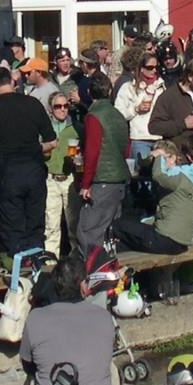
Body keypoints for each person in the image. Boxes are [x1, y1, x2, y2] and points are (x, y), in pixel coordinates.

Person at [0, 66, 56, 254]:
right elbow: (52, 142)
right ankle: (38, 270)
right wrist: (34, 148)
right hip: (34, 171)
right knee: (35, 227)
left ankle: (20, 274)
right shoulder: (33, 103)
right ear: (12, 82)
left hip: (6, 175)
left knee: (13, 231)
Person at [19, 255, 114, 385]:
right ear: (83, 286)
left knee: (33, 379)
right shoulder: (104, 317)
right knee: (111, 369)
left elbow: (28, 366)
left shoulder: (35, 317)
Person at [108, 137, 193, 257]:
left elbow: (158, 175)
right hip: (177, 240)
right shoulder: (182, 176)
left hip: (167, 238)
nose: (158, 163)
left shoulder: (178, 177)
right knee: (124, 245)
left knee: (117, 226)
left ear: (173, 157)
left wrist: (159, 156)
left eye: (162, 159)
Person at [75, 73, 129, 255]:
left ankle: (92, 273)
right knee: (110, 233)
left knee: (88, 231)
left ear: (89, 92)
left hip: (102, 179)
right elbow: (126, 148)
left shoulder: (94, 116)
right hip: (119, 178)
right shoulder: (118, 115)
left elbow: (92, 152)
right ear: (110, 91)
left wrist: (86, 183)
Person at [42, 93, 80, 254]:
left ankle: (76, 258)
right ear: (51, 109)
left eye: (65, 106)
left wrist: (78, 160)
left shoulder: (75, 127)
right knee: (51, 224)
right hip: (50, 178)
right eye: (58, 106)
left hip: (70, 178)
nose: (63, 109)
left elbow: (83, 154)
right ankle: (51, 260)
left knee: (73, 222)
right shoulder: (45, 128)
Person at [147, 57, 193, 142]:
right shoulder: (169, 96)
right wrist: (183, 124)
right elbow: (154, 127)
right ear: (191, 77)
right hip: (179, 152)